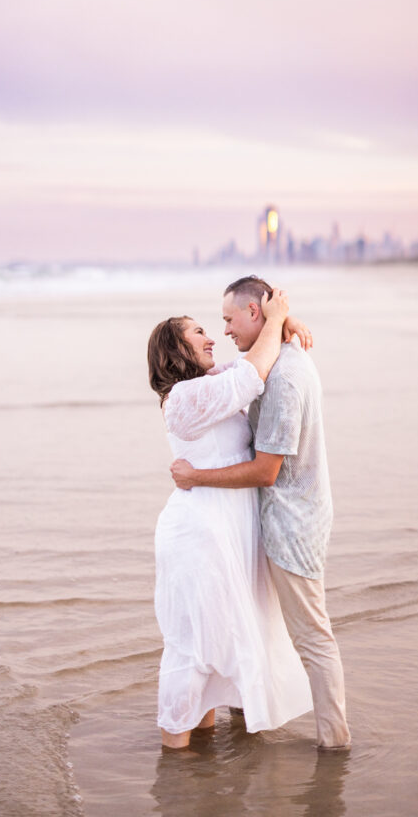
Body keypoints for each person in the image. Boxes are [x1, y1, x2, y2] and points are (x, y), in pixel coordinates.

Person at [171, 275, 351, 750]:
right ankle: (247, 723)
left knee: (312, 638)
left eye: (229, 319)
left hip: (293, 526)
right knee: (248, 625)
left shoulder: (285, 378)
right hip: (273, 524)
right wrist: (285, 319)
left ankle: (336, 746)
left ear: (255, 314)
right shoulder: (272, 361)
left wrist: (195, 477)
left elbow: (267, 471)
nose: (223, 329)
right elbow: (231, 375)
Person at [147, 288, 312, 750]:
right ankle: (176, 768)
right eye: (199, 331)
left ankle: (201, 761)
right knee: (192, 646)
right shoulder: (183, 398)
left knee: (218, 641)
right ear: (176, 348)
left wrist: (285, 323)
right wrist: (278, 315)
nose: (212, 336)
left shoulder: (210, 383)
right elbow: (251, 374)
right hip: (198, 536)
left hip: (226, 532)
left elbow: (254, 361)